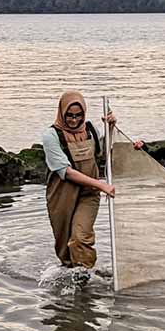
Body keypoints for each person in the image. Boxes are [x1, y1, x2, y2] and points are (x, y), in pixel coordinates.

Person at [42, 91, 116, 269]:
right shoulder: (51, 136)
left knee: (80, 239)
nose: (74, 120)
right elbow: (66, 172)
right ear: (61, 113)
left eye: (78, 116)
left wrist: (111, 128)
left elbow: (104, 152)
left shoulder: (91, 130)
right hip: (62, 195)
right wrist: (100, 184)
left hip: (88, 194)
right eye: (69, 116)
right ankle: (71, 276)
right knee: (65, 249)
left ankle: (86, 279)